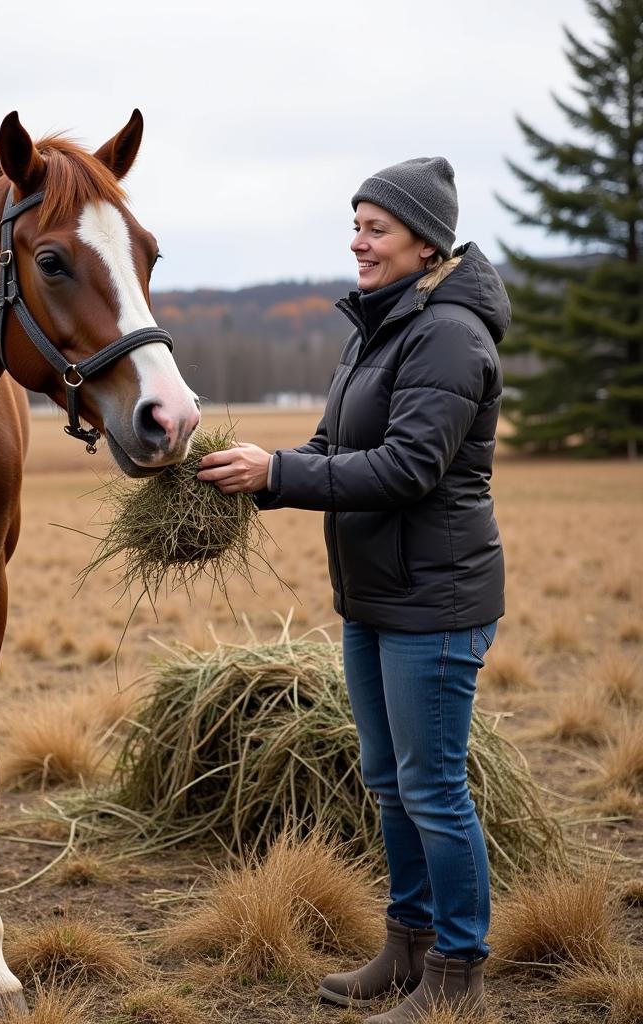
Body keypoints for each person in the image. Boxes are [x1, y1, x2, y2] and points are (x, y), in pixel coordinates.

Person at [197, 156, 508, 1023]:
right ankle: (407, 948)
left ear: (424, 241)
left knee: (434, 787)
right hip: (374, 597)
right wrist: (251, 474)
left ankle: (457, 974)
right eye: (356, 223)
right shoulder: (379, 326)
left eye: (376, 228)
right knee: (389, 779)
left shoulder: (449, 334)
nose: (358, 242)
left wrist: (281, 472)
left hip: (435, 602)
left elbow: (409, 467)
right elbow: (334, 446)